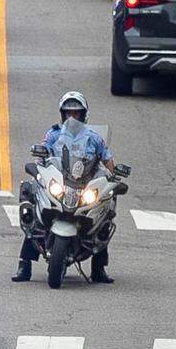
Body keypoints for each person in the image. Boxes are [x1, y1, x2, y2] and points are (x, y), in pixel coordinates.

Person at [13, 91, 118, 283]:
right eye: (68, 113)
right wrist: (39, 167)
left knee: (107, 208)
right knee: (33, 205)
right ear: (63, 114)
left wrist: (113, 177)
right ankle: (24, 265)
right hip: (61, 182)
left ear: (83, 115)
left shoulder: (94, 138)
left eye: (76, 113)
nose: (72, 117)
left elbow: (108, 160)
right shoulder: (54, 134)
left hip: (83, 184)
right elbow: (42, 155)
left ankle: (99, 268)